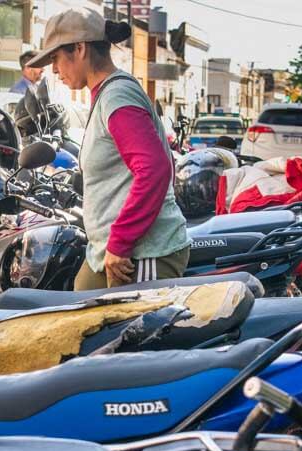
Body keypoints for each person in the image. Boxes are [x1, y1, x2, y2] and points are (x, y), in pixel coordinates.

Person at [26, 8, 190, 289]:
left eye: (56, 58)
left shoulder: (116, 94)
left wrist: (120, 243)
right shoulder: (105, 94)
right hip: (115, 252)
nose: (54, 69)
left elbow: (155, 169)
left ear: (79, 49)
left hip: (142, 254)